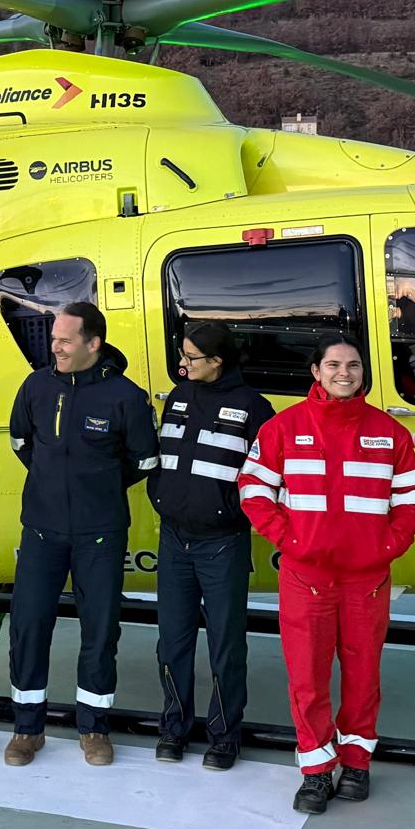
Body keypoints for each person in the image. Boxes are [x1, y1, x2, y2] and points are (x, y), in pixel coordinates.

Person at [237, 333, 415, 814]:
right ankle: (317, 771)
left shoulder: (391, 433)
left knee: (363, 676)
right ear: (316, 372)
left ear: (364, 373)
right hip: (306, 578)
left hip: (367, 580)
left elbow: (410, 499)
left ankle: (357, 762)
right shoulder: (283, 428)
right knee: (308, 679)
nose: (345, 373)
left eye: (354, 365)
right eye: (335, 364)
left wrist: (388, 546)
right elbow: (254, 490)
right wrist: (293, 541)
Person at [5, 301, 159, 767]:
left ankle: (93, 728)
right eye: (54, 338)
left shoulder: (125, 397)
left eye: (66, 340)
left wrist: (96, 488)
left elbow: (143, 461)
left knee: (99, 629)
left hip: (100, 534)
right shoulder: (36, 385)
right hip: (42, 531)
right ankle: (27, 729)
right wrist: (54, 486)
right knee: (29, 625)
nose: (56, 346)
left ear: (94, 343)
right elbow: (21, 442)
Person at [147, 320, 274, 771]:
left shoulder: (254, 407)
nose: (182, 364)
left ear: (217, 361)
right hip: (175, 539)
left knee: (225, 644)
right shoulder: (179, 397)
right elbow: (164, 457)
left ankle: (224, 735)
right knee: (172, 642)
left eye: (191, 358)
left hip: (223, 543)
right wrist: (162, 498)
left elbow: (267, 475)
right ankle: (173, 728)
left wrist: (232, 513)